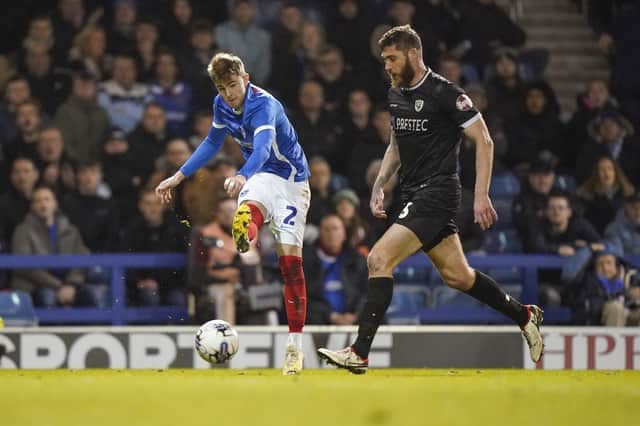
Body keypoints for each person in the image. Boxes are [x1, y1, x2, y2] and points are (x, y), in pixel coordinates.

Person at [317, 25, 543, 374]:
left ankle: (359, 352)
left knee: (378, 258)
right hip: (412, 191)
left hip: (437, 193)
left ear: (412, 54)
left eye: (392, 58)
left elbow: (484, 140)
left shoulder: (445, 93)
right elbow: (396, 144)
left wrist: (481, 195)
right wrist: (380, 183)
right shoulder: (395, 94)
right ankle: (524, 315)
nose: (387, 66)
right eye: (384, 60)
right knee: (458, 276)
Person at [155, 52, 310, 375]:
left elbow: (265, 148)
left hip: (292, 181)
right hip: (261, 176)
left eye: (233, 85)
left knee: (291, 267)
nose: (229, 93)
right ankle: (246, 236)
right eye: (222, 88)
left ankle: (294, 348)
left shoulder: (263, 105)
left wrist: (241, 173)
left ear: (246, 78)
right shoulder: (221, 104)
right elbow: (211, 144)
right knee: (247, 208)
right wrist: (179, 176)